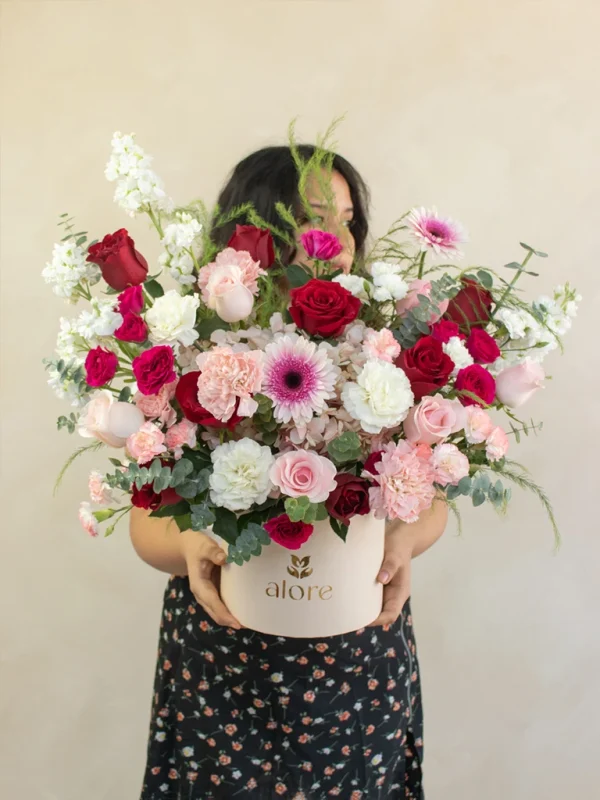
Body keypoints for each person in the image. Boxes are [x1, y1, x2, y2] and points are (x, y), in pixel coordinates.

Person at [131, 144, 448, 799]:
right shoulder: (193, 351)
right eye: (313, 216)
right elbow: (144, 524)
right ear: (253, 234)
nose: (335, 237)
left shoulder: (390, 349)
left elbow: (431, 494)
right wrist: (191, 544)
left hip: (358, 664)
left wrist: (405, 541)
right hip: (226, 666)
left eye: (348, 220)